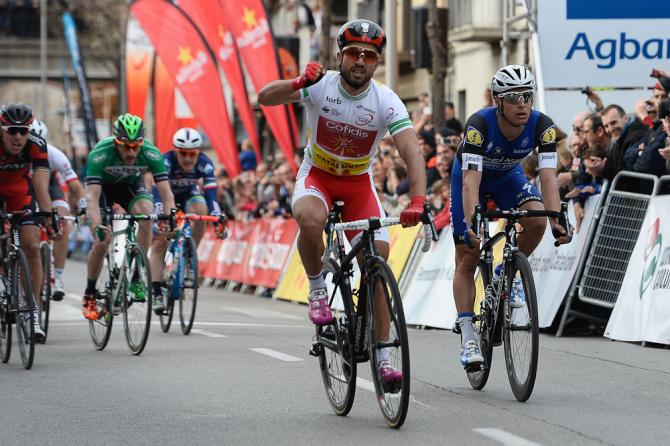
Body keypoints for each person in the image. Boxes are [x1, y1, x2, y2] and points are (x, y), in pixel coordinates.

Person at [258, 19, 427, 387]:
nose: (360, 61)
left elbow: (412, 153)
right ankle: (317, 286)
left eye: (369, 55)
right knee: (309, 218)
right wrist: (298, 84)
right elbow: (264, 98)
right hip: (317, 175)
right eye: (353, 53)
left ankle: (383, 353)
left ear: (377, 62)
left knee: (378, 258)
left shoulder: (386, 99)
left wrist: (418, 198)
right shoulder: (320, 86)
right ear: (340, 55)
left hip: (357, 184)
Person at [450, 65, 572, 369]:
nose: (522, 104)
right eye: (514, 97)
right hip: (469, 180)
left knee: (537, 220)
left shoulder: (543, 125)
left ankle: (506, 273)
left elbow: (547, 177)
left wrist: (557, 217)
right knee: (468, 255)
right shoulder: (479, 125)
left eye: (527, 96)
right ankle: (467, 336)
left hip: (507, 177)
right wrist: (469, 223)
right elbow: (470, 183)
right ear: (498, 100)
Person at [82, 113, 175, 320]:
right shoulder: (100, 154)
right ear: (116, 142)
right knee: (102, 241)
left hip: (130, 185)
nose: (131, 151)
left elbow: (167, 194)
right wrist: (97, 225)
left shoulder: (151, 153)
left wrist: (171, 217)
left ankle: (135, 275)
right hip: (103, 190)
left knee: (146, 213)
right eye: (125, 146)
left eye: (136, 146)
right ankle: (89, 292)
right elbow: (92, 198)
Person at [0, 103, 60, 341]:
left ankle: (33, 313)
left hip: (19, 193)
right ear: (2, 129)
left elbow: (41, 187)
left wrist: (48, 218)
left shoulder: (36, 145)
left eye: (23, 131)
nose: (17, 137)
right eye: (12, 130)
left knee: (33, 246)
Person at [149, 127, 222, 314]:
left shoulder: (205, 164)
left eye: (193, 153)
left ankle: (190, 256)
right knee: (159, 243)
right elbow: (159, 193)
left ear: (199, 152)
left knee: (201, 210)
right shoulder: (165, 162)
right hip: (167, 197)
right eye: (183, 153)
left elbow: (211, 194)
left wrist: (217, 218)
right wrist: (161, 217)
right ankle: (156, 291)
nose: (188, 158)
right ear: (175, 151)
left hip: (189, 195)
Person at [30, 119, 87, 301]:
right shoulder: (17, 154)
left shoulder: (55, 155)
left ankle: (59, 277)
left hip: (50, 187)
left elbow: (76, 186)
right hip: (25, 189)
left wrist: (83, 205)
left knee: (62, 221)